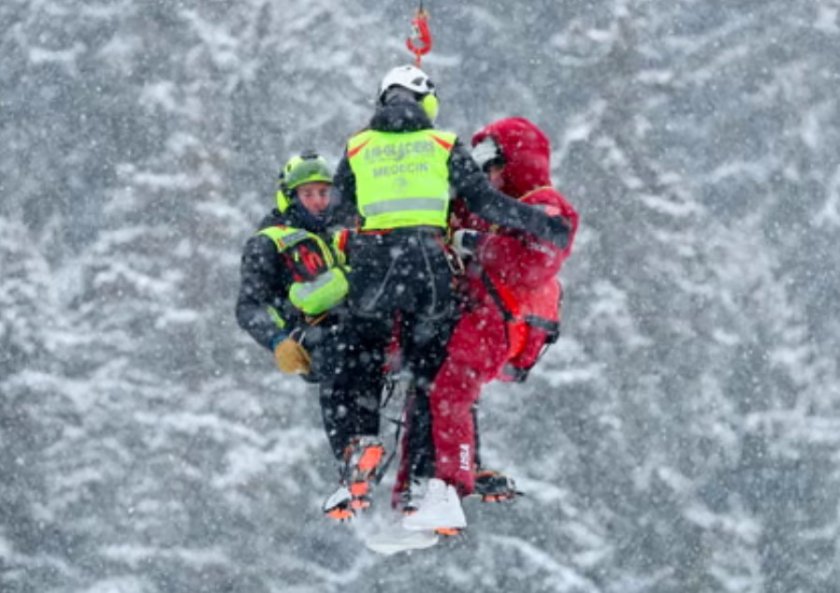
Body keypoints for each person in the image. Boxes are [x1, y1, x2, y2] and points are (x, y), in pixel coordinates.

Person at [323, 66, 571, 528]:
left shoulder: (358, 146)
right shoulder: (442, 145)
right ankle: (428, 482)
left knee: (358, 355)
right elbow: (485, 202)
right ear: (427, 102)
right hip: (430, 273)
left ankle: (359, 444)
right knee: (432, 376)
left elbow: (337, 210)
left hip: (373, 271)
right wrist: (540, 225)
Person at [400, 116, 580, 533]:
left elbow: (531, 263)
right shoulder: (488, 205)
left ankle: (449, 487)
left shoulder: (544, 205)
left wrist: (474, 243)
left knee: (452, 389)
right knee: (436, 386)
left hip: (501, 316)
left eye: (493, 162)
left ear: (516, 160)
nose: (489, 174)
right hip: (473, 313)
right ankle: (451, 471)